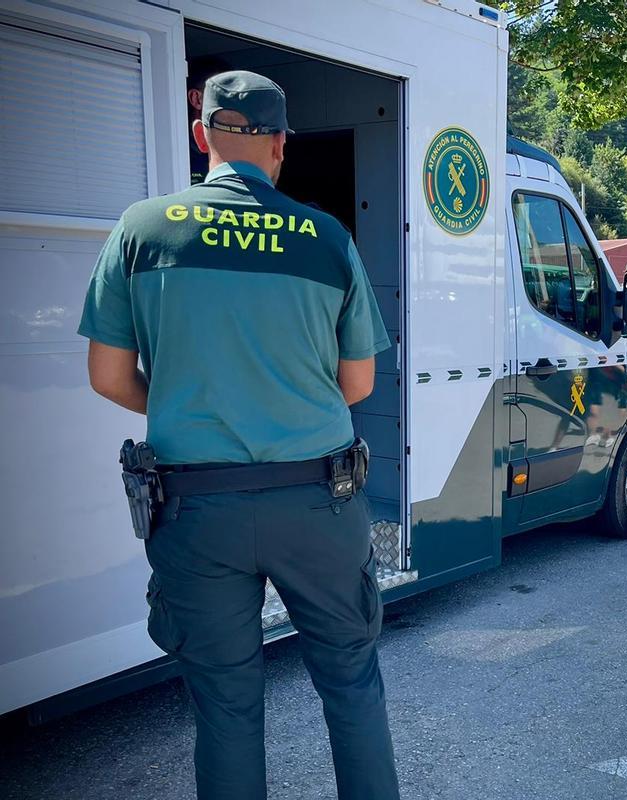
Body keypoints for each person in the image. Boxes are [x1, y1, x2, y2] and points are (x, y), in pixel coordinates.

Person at [78, 71, 400, 799]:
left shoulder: (143, 228)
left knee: (225, 707)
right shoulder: (326, 237)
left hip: (197, 510)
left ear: (203, 138)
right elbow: (357, 387)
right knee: (351, 683)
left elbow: (106, 375)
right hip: (319, 503)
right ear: (282, 144)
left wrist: (193, 404)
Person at [185, 56, 232, 185]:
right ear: (196, 99)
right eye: (223, 95)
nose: (233, 105)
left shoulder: (236, 150)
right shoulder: (176, 152)